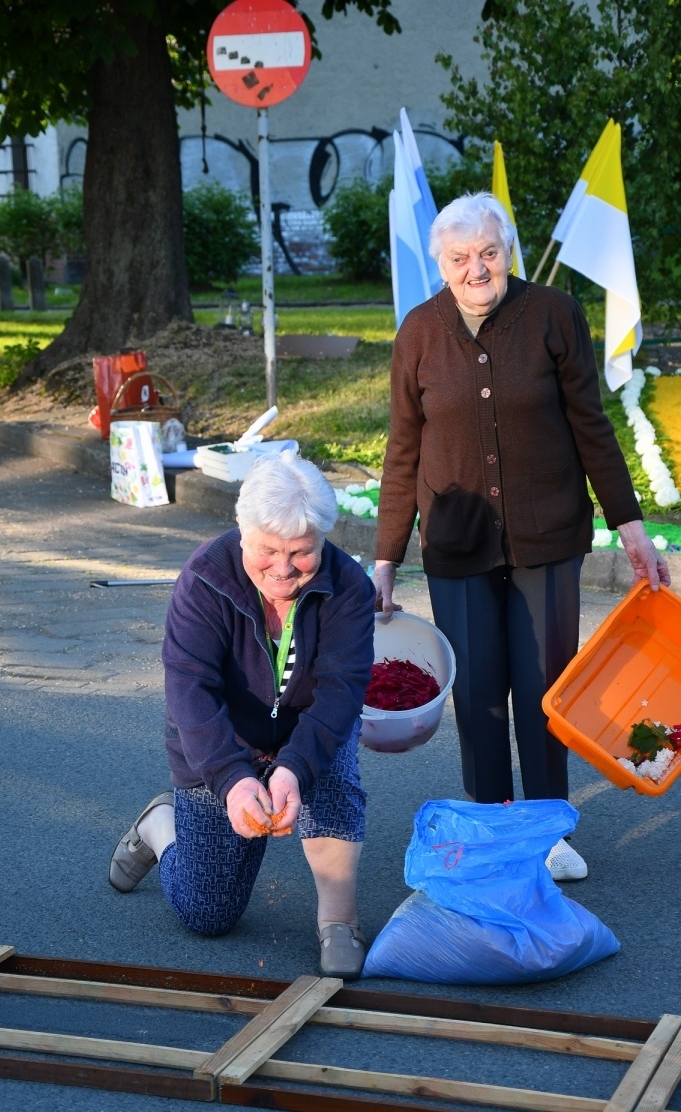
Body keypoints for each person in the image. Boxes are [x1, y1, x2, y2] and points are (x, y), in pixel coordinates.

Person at [374, 192, 670, 882]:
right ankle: (490, 825)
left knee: (545, 689)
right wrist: (386, 557)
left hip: (548, 535)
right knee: (476, 693)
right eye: (459, 258)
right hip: (457, 545)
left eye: (488, 252)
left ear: (506, 249)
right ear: (440, 266)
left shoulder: (552, 315)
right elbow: (402, 449)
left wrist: (631, 527)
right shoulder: (418, 332)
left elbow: (592, 426)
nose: (477, 268)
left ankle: (546, 828)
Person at [109, 450, 376, 979]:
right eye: (267, 551)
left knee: (334, 777)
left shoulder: (349, 587)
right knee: (207, 913)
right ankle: (162, 826)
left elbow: (340, 693)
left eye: (301, 552)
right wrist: (232, 781)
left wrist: (294, 770)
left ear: (323, 538)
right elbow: (190, 690)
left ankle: (339, 920)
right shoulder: (205, 578)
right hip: (220, 740)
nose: (283, 569)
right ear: (241, 532)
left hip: (305, 728)